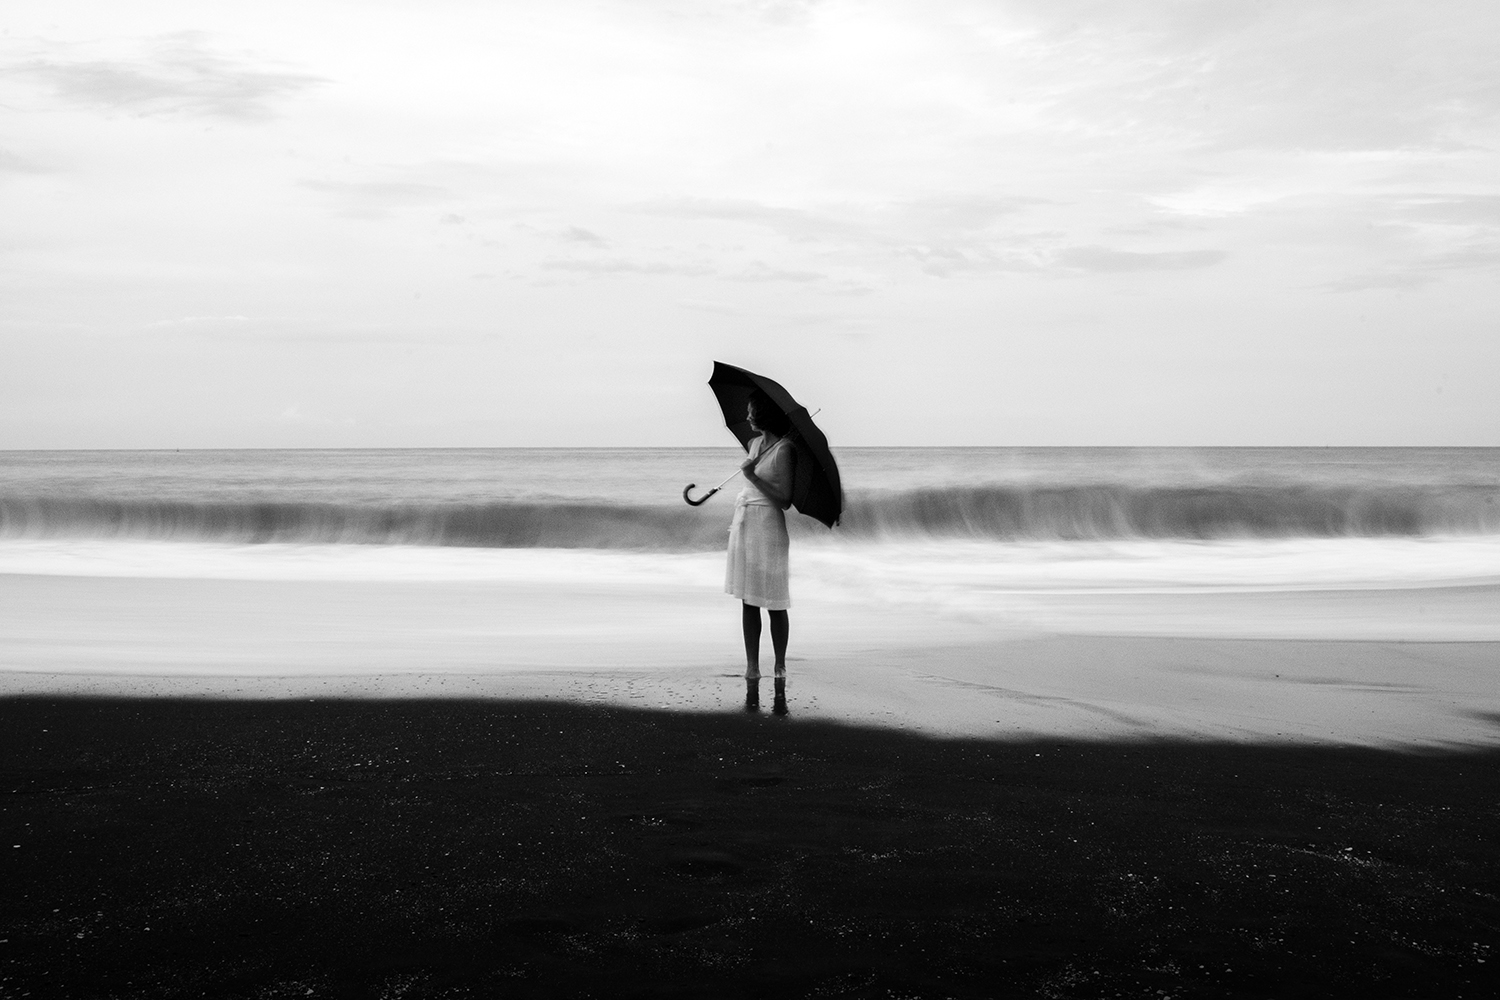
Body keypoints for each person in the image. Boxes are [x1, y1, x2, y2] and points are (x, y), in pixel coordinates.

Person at [725, 390, 797, 682]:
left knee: (775, 600)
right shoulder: (754, 444)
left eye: (751, 411)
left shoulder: (784, 450)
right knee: (748, 598)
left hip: (768, 525)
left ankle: (779, 664)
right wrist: (750, 473)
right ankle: (752, 666)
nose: (747, 416)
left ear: (764, 414)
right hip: (746, 523)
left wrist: (753, 477)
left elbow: (784, 500)